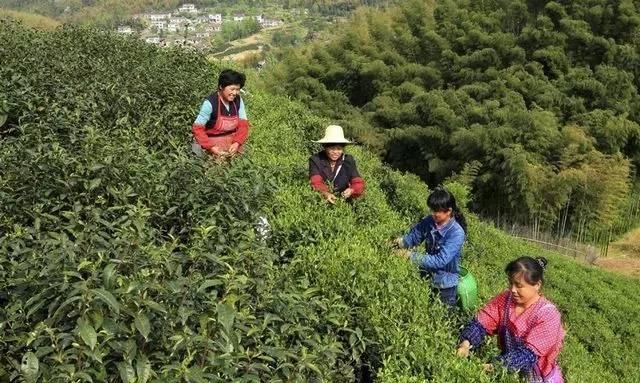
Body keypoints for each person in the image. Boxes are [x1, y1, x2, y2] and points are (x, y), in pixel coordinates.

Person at [457, 256, 565, 383]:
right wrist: (465, 344)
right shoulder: (505, 300)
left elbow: (527, 355)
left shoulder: (548, 315)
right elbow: (481, 324)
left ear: (537, 285)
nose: (513, 290)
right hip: (507, 369)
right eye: (511, 283)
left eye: (519, 285)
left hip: (537, 377)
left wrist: (495, 366)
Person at [394, 188, 467, 306]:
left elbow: (440, 261)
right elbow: (413, 238)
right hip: (426, 278)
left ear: (448, 211)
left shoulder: (456, 233)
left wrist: (409, 256)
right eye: (432, 209)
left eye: (437, 211)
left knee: (442, 319)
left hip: (445, 286)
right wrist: (397, 243)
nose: (433, 214)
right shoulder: (429, 221)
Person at [191, 69, 250, 158]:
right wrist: (211, 147)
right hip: (210, 142)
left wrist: (237, 142)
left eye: (237, 89)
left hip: (231, 141)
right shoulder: (210, 103)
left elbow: (243, 125)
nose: (235, 93)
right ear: (221, 87)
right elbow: (197, 128)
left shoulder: (238, 100)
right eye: (232, 89)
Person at [309, 125, 365, 203]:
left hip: (342, 202)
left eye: (339, 149)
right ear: (325, 147)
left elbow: (357, 182)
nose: (335, 152)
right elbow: (316, 181)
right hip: (320, 201)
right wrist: (325, 193)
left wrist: (352, 190)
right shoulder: (316, 160)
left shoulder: (348, 161)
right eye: (332, 148)